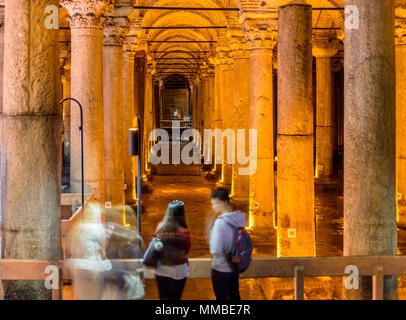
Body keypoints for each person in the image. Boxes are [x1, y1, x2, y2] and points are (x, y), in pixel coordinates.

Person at [209, 188, 246, 300]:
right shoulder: (238, 219)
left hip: (221, 268)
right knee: (234, 296)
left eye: (215, 203)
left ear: (224, 202)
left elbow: (215, 249)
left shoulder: (221, 222)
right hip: (234, 266)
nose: (213, 207)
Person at [153, 200, 191, 300]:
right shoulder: (184, 231)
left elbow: (156, 244)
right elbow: (187, 249)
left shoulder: (160, 227)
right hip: (178, 270)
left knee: (163, 298)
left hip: (161, 269)